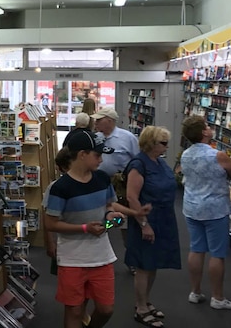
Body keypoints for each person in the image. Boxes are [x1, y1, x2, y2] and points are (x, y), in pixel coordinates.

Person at [43, 127, 147, 328]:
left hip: (101, 257)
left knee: (106, 309)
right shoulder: (60, 188)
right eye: (97, 155)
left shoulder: (101, 179)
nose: (101, 160)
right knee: (74, 309)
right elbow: (50, 223)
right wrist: (84, 228)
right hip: (72, 259)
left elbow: (108, 207)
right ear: (82, 155)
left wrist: (112, 217)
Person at [124, 126, 180, 327]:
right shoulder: (139, 165)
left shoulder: (159, 161)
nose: (166, 146)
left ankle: (146, 302)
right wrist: (144, 225)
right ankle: (140, 308)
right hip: (147, 219)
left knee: (153, 263)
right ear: (151, 143)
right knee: (143, 265)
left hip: (164, 217)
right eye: (163, 143)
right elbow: (132, 197)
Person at [179, 115, 231, 310]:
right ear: (203, 132)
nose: (211, 128)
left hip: (192, 207)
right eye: (208, 126)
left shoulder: (185, 154)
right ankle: (217, 297)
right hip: (215, 209)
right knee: (217, 254)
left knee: (196, 249)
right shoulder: (217, 155)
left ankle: (195, 291)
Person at [92, 106, 139, 272]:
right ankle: (100, 253)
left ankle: (131, 258)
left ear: (110, 121)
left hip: (121, 185)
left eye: (99, 119)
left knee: (122, 221)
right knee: (99, 217)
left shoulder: (127, 138)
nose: (96, 122)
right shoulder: (95, 138)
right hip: (98, 185)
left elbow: (136, 160)